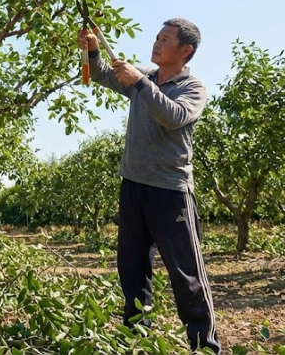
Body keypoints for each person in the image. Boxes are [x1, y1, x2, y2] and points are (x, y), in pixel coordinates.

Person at [78, 18, 220, 354]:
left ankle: (204, 345)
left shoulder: (192, 87)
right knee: (132, 267)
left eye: (165, 40)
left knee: (186, 274)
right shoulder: (146, 77)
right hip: (133, 186)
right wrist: (93, 49)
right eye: (156, 37)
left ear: (185, 50)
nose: (156, 44)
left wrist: (140, 82)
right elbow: (98, 73)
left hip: (170, 191)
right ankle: (135, 337)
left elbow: (172, 117)